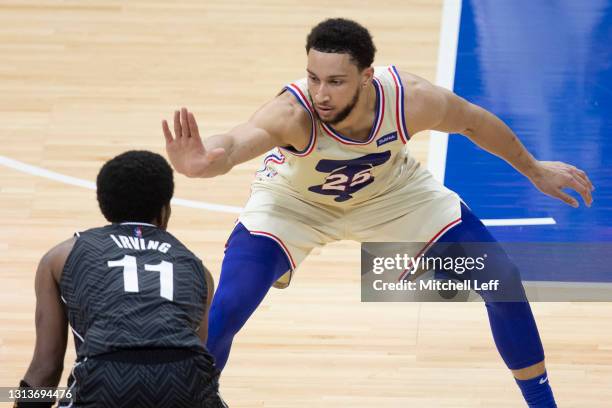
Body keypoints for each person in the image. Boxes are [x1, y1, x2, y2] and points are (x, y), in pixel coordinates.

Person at [162, 18, 594, 408]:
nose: (321, 93)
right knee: (227, 308)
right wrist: (205, 161)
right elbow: (237, 142)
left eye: (335, 81)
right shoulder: (294, 112)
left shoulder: (410, 99)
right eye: (314, 78)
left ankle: (542, 403)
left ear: (367, 76)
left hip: (391, 195)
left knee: (503, 281)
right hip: (295, 204)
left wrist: (534, 170)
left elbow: (474, 122)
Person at [17, 151, 227, 408]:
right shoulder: (197, 268)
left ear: (104, 206)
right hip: (185, 382)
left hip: (104, 380)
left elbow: (45, 372)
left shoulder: (60, 256)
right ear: (164, 210)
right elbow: (195, 351)